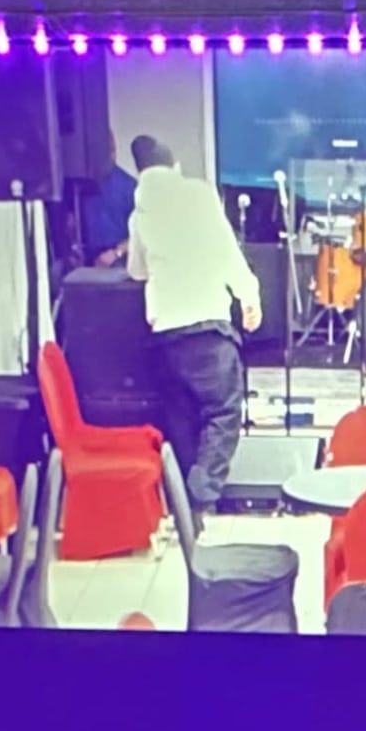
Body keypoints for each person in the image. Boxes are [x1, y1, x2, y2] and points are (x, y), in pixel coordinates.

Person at [124, 135, 258, 512]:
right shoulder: (199, 196)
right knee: (223, 412)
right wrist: (249, 296)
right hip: (207, 328)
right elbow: (226, 251)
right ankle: (202, 494)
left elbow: (136, 271)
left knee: (181, 420)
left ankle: (185, 508)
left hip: (166, 335)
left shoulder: (140, 213)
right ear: (175, 165)